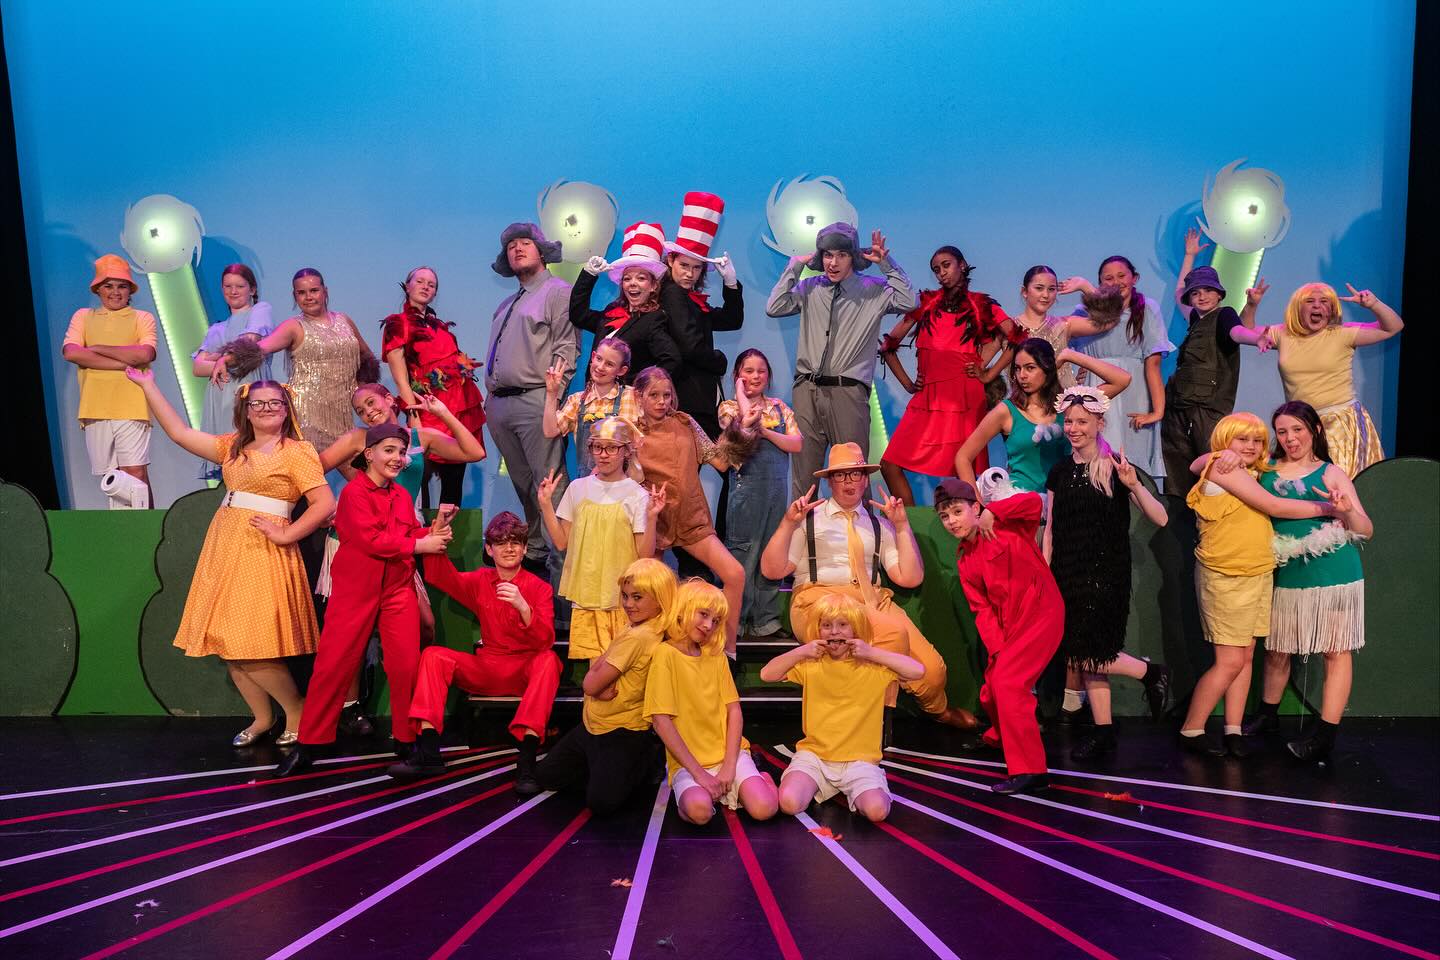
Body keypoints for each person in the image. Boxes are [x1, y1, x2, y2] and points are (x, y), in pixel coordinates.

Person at [124, 368, 332, 746]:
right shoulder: (233, 447)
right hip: (226, 545)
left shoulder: (298, 452)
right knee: (227, 641)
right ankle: (262, 717)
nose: (267, 409)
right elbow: (179, 433)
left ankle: (297, 710)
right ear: (247, 411)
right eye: (259, 404)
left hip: (264, 551)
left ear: (286, 410)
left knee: (251, 642)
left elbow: (323, 503)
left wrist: (287, 533)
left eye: (275, 403)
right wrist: (148, 385)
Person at [275, 422, 453, 777]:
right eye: (389, 450)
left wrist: (431, 530)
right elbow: (371, 541)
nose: (398, 458)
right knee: (333, 666)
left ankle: (407, 740)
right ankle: (309, 745)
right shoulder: (354, 495)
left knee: (405, 666)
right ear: (368, 454)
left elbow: (402, 533)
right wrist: (419, 544)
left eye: (402, 452)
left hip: (397, 589)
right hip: (356, 591)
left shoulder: (401, 495)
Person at [758, 442, 975, 729]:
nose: (849, 482)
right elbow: (772, 570)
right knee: (892, 634)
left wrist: (901, 527)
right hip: (819, 599)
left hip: (871, 600)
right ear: (829, 481)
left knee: (932, 671)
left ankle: (939, 711)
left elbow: (909, 578)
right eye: (840, 475)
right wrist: (787, 524)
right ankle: (876, 722)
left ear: (864, 479)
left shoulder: (877, 524)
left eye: (856, 474)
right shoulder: (808, 519)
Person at [1177, 413, 1342, 758]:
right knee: (1230, 661)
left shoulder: (1250, 470)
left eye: (1256, 440)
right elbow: (1271, 504)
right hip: (1226, 576)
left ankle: (1233, 729)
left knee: (1247, 655)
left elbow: (1200, 463)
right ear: (1225, 442)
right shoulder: (1224, 469)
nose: (1250, 446)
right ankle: (1191, 729)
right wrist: (1329, 508)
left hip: (1256, 572)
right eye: (1242, 440)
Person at [317, 386, 484, 725]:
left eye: (371, 403)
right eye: (360, 410)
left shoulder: (421, 437)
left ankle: (409, 713)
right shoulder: (358, 440)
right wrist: (330, 507)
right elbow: (312, 470)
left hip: (406, 539)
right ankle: (351, 709)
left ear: (390, 400)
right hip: (364, 544)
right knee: (350, 636)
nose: (367, 412)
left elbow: (474, 451)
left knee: (423, 624)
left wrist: (442, 413)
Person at [1214, 402, 1373, 761]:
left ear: (1314, 430)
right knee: (1277, 648)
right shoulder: (1264, 469)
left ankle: (1326, 734)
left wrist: (1345, 509)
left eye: (1297, 429)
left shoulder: (1331, 473)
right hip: (1286, 572)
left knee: (1336, 651)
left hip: (1335, 574)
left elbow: (1366, 529)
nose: (1290, 438)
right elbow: (1212, 468)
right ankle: (1267, 716)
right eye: (1282, 431)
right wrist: (1226, 453)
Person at [389, 512, 561, 794]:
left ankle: (527, 762)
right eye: (501, 543)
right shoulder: (481, 581)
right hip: (488, 668)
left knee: (549, 660)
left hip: (524, 670)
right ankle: (429, 753)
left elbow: (545, 641)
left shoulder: (539, 588)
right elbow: (442, 578)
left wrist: (523, 607)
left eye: (516, 542)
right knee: (434, 656)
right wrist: (437, 535)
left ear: (525, 548)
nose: (509, 548)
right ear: (489, 549)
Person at [1044, 386, 1172, 760]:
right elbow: (1051, 527)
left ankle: (1149, 674)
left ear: (1100, 423)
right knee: (1087, 657)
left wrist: (1133, 484)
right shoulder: (1059, 471)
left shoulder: (1116, 466)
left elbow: (1161, 517)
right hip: (1067, 572)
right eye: (1069, 421)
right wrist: (1046, 571)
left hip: (1104, 574)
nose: (1074, 428)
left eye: (1082, 421)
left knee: (1087, 653)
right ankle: (1104, 732)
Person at [766, 222, 918, 498]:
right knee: (804, 478)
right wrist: (795, 267)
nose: (832, 263)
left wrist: (887, 264)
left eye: (841, 255)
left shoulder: (873, 289)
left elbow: (909, 301)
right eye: (827, 255)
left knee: (852, 477)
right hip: (806, 391)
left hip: (847, 393)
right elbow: (774, 307)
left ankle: (861, 539)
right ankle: (805, 538)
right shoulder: (810, 287)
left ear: (853, 258)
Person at [935, 476, 1063, 795]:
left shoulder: (1007, 525)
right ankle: (1000, 737)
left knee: (1008, 684)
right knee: (993, 685)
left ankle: (1032, 770)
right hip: (1010, 628)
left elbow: (1035, 502)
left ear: (975, 508)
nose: (951, 521)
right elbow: (982, 611)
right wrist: (997, 649)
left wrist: (996, 511)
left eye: (957, 512)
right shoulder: (965, 558)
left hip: (1040, 614)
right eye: (944, 516)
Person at [879, 246, 1025, 505]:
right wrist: (909, 384)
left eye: (946, 265)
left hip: (964, 397)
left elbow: (1016, 336)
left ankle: (970, 529)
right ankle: (911, 527)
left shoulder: (981, 305)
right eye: (936, 269)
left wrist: (989, 373)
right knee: (889, 464)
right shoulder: (925, 304)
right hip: (928, 397)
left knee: (963, 470)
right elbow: (889, 346)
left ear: (962, 264)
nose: (942, 273)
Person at [761, 593, 923, 822]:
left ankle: (866, 786)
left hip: (860, 760)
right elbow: (767, 674)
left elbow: (917, 672)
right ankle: (777, 783)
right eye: (826, 625)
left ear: (856, 630)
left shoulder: (874, 667)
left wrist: (872, 652)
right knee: (789, 803)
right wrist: (801, 651)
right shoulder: (811, 664)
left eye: (842, 625)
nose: (834, 631)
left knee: (877, 812)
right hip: (815, 757)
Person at [534, 558, 679, 814]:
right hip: (595, 726)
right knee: (547, 776)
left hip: (623, 731)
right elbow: (599, 672)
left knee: (602, 803)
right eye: (625, 596)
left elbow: (590, 683)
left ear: (659, 598)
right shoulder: (642, 626)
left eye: (637, 597)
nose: (628, 604)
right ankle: (605, 768)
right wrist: (598, 682)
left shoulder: (639, 636)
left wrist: (595, 684)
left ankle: (646, 761)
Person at [483, 222, 579, 580]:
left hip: (536, 400)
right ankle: (538, 561)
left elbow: (566, 347)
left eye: (525, 243)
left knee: (549, 483)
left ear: (542, 250)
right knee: (525, 485)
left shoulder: (557, 291)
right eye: (511, 245)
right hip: (500, 404)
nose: (517, 249)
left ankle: (565, 572)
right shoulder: (507, 302)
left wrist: (553, 399)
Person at [1232, 279, 1402, 477]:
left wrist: (1373, 304)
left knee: (1339, 484)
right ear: (1298, 307)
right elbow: (1245, 332)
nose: (1317, 306)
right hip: (1300, 425)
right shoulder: (1283, 334)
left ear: (1331, 309)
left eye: (1324, 301)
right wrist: (1252, 305)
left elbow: (1392, 327)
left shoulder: (1342, 334)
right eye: (1310, 301)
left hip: (1339, 422)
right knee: (1302, 484)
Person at [643, 579, 779, 825]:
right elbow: (661, 721)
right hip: (690, 764)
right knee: (699, 812)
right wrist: (701, 776)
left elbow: (734, 711)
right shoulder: (665, 655)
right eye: (703, 614)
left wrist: (729, 765)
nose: (708, 625)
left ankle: (761, 779)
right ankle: (706, 793)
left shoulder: (715, 655)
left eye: (715, 620)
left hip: (728, 755)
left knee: (765, 809)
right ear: (683, 610)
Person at [631, 366, 746, 656]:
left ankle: (726, 651)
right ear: (639, 397)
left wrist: (736, 428)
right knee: (648, 591)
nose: (661, 401)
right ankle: (648, 655)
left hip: (690, 518)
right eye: (654, 395)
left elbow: (719, 462)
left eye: (666, 395)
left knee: (734, 574)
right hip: (653, 522)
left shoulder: (684, 423)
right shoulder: (631, 431)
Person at [538, 417, 665, 662]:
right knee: (596, 677)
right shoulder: (578, 489)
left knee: (620, 675)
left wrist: (652, 519)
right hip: (587, 597)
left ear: (626, 451)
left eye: (611, 447)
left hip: (621, 600)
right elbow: (562, 542)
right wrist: (545, 506)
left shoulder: (636, 495)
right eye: (597, 447)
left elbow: (644, 556)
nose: (603, 454)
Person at [955, 339, 1131, 494]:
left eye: (1030, 368)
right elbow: (963, 457)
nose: (1022, 375)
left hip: (1065, 504)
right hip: (1021, 507)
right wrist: (977, 506)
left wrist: (1069, 355)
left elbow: (1122, 379)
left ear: (1047, 368)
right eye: (1017, 369)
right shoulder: (1006, 411)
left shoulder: (1070, 405)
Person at [1058, 255, 1174, 483]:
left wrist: (1158, 411)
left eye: (1121, 276)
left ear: (1134, 278)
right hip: (1098, 387)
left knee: (1131, 458)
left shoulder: (1147, 309)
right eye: (1107, 278)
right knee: (1096, 455)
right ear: (1099, 284)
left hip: (1135, 392)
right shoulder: (1083, 311)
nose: (1115, 282)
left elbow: (1154, 364)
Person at [380, 266, 486, 508]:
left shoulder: (439, 326)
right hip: (427, 410)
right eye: (420, 281)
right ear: (407, 286)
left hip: (457, 409)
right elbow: (401, 379)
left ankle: (448, 539)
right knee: (417, 478)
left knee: (454, 480)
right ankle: (417, 536)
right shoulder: (398, 324)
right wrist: (413, 416)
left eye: (432, 284)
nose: (426, 286)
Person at [717, 349, 802, 639]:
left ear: (769, 376)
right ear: (737, 376)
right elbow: (745, 425)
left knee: (771, 554)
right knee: (743, 554)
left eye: (761, 371)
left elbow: (796, 444)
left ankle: (766, 620)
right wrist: (741, 395)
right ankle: (736, 620)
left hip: (776, 492)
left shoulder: (779, 407)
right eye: (748, 371)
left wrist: (768, 435)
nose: (755, 376)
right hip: (746, 491)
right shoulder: (728, 407)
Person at [62, 255, 158, 505]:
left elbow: (145, 354)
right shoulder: (83, 316)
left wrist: (96, 348)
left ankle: (148, 533)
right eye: (108, 285)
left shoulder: (142, 318)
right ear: (98, 289)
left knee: (135, 474)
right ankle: (123, 534)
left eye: (121, 286)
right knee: (112, 479)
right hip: (95, 407)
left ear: (130, 290)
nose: (115, 292)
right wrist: (126, 361)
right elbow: (72, 352)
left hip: (132, 405)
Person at [1158, 255, 1249, 494]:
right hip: (1178, 408)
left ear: (1219, 294)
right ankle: (1178, 526)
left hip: (1207, 411)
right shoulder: (1195, 318)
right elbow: (1179, 293)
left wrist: (1257, 337)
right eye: (1196, 293)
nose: (1202, 296)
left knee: (1214, 473)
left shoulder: (1224, 315)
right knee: (1177, 475)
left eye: (1208, 290)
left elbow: (1238, 333)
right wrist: (1188, 255)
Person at [659, 192, 744, 441]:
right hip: (687, 394)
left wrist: (730, 283)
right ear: (671, 261)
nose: (690, 274)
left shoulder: (691, 300)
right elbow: (689, 346)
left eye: (696, 268)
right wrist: (719, 360)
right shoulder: (672, 293)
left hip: (699, 395)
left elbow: (731, 320)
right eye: (684, 266)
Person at [191, 264, 273, 480]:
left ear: (252, 289)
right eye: (228, 286)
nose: (233, 291)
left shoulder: (260, 310)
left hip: (248, 392)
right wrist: (226, 362)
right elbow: (198, 367)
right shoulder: (216, 329)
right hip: (221, 396)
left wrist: (220, 358)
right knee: (228, 458)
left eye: (240, 286)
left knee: (253, 453)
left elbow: (249, 342)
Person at [570, 223, 682, 382]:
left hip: (624, 403)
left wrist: (637, 387)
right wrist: (589, 274)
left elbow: (672, 360)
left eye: (641, 278)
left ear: (653, 286)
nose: (633, 283)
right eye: (627, 278)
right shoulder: (611, 312)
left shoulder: (653, 319)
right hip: (594, 397)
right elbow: (578, 315)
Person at [542, 338, 639, 477]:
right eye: (599, 359)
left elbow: (636, 443)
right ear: (592, 357)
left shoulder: (631, 396)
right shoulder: (577, 401)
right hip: (588, 484)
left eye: (609, 364)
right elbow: (550, 431)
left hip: (621, 484)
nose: (600, 367)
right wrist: (552, 393)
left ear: (621, 370)